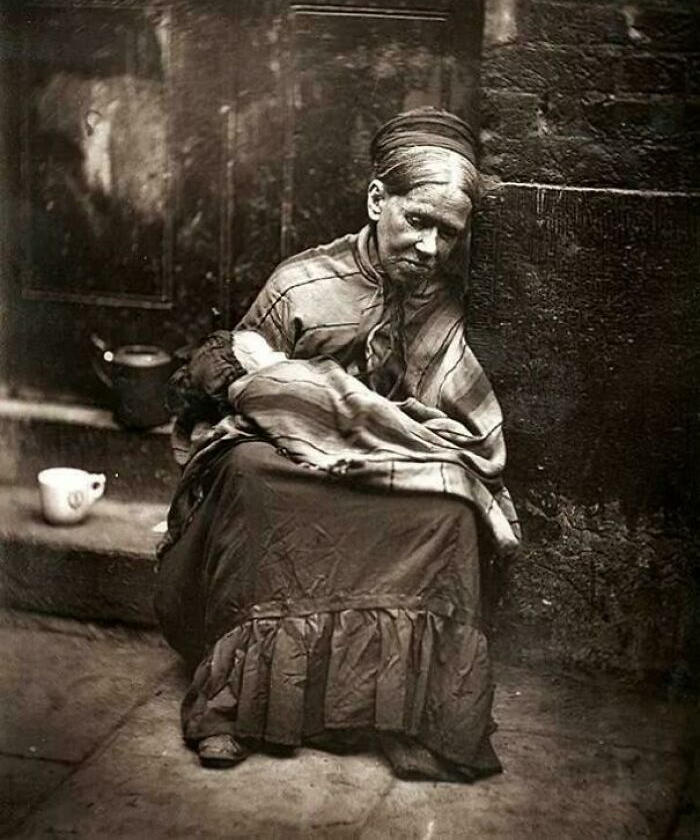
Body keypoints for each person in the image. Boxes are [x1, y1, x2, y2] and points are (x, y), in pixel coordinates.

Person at [155, 107, 519, 780]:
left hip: (379, 469)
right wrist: (300, 399)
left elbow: (461, 428)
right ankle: (235, 703)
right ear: (379, 199)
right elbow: (224, 384)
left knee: (451, 510)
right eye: (418, 220)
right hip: (291, 467)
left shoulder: (441, 304)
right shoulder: (302, 283)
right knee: (251, 476)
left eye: (449, 233)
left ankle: (413, 714)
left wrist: (380, 427)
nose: (431, 248)